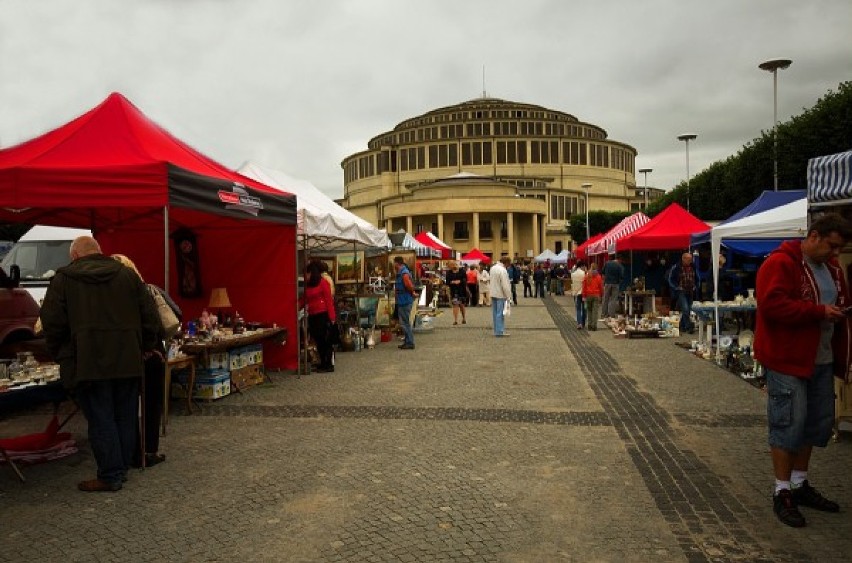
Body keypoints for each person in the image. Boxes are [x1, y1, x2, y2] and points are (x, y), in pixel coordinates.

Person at [754, 214, 852, 528]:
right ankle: (781, 490)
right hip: (787, 358)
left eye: (839, 248)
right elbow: (771, 305)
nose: (835, 254)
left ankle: (799, 482)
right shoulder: (781, 263)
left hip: (819, 358)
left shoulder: (833, 269)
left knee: (814, 422)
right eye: (832, 246)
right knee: (788, 423)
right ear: (814, 236)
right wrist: (818, 311)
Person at [40, 236, 160, 492]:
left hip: (88, 362)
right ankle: (120, 468)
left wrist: (63, 354)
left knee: (101, 417)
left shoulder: (64, 279)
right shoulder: (127, 276)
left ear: (74, 256)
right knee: (124, 415)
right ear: (100, 252)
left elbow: (52, 322)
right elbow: (149, 315)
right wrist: (146, 346)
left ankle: (111, 474)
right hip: (127, 358)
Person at [111, 254, 181, 468]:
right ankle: (148, 451)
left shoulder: (114, 297)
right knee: (151, 405)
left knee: (128, 406)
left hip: (129, 356)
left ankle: (133, 451)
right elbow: (172, 315)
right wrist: (150, 346)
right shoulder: (147, 290)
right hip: (151, 355)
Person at [305, 260, 337, 370]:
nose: (306, 276)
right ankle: (323, 362)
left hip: (322, 315)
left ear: (312, 273)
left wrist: (332, 317)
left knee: (325, 340)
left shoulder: (323, 283)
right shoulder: (308, 285)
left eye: (307, 273)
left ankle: (328, 363)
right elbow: (304, 299)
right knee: (318, 340)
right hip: (313, 315)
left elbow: (329, 300)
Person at [667, 252, 698, 334]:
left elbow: (697, 277)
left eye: (691, 259)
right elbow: (670, 279)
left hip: (691, 290)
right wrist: (676, 287)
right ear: (683, 259)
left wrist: (696, 286)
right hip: (681, 291)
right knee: (685, 309)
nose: (690, 261)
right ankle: (688, 327)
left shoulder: (693, 267)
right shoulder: (676, 267)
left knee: (689, 309)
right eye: (689, 259)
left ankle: (681, 326)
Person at [393, 256, 417, 349]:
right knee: (404, 322)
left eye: (394, 263)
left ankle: (410, 342)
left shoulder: (404, 273)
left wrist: (412, 292)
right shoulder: (401, 272)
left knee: (405, 323)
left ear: (397, 263)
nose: (393, 265)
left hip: (405, 300)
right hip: (402, 300)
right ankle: (407, 341)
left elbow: (408, 285)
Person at [489, 256, 512, 337]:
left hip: (493, 292)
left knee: (495, 313)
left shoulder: (493, 268)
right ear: (506, 263)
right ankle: (500, 331)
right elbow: (505, 285)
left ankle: (496, 330)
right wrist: (508, 295)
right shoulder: (503, 270)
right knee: (500, 313)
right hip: (500, 294)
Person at [582, 262, 603, 330]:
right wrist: (601, 295)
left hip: (588, 295)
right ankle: (594, 326)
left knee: (589, 311)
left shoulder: (587, 276)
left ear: (590, 267)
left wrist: (584, 295)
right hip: (596, 295)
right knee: (595, 311)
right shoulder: (599, 277)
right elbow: (601, 287)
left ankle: (589, 325)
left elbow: (584, 287)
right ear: (596, 268)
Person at [446, 261, 467, 325]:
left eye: (452, 265)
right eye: (450, 266)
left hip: (462, 291)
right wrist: (452, 282)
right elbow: (447, 282)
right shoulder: (449, 273)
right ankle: (455, 320)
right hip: (454, 291)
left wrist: (460, 281)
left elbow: (465, 279)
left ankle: (463, 318)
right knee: (455, 305)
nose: (451, 267)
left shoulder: (462, 271)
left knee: (461, 305)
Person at [571, 261, 587, 329]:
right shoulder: (584, 273)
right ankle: (583, 323)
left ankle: (579, 323)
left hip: (576, 293)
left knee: (578, 309)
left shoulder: (573, 274)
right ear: (582, 266)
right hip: (583, 293)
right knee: (584, 308)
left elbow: (573, 283)